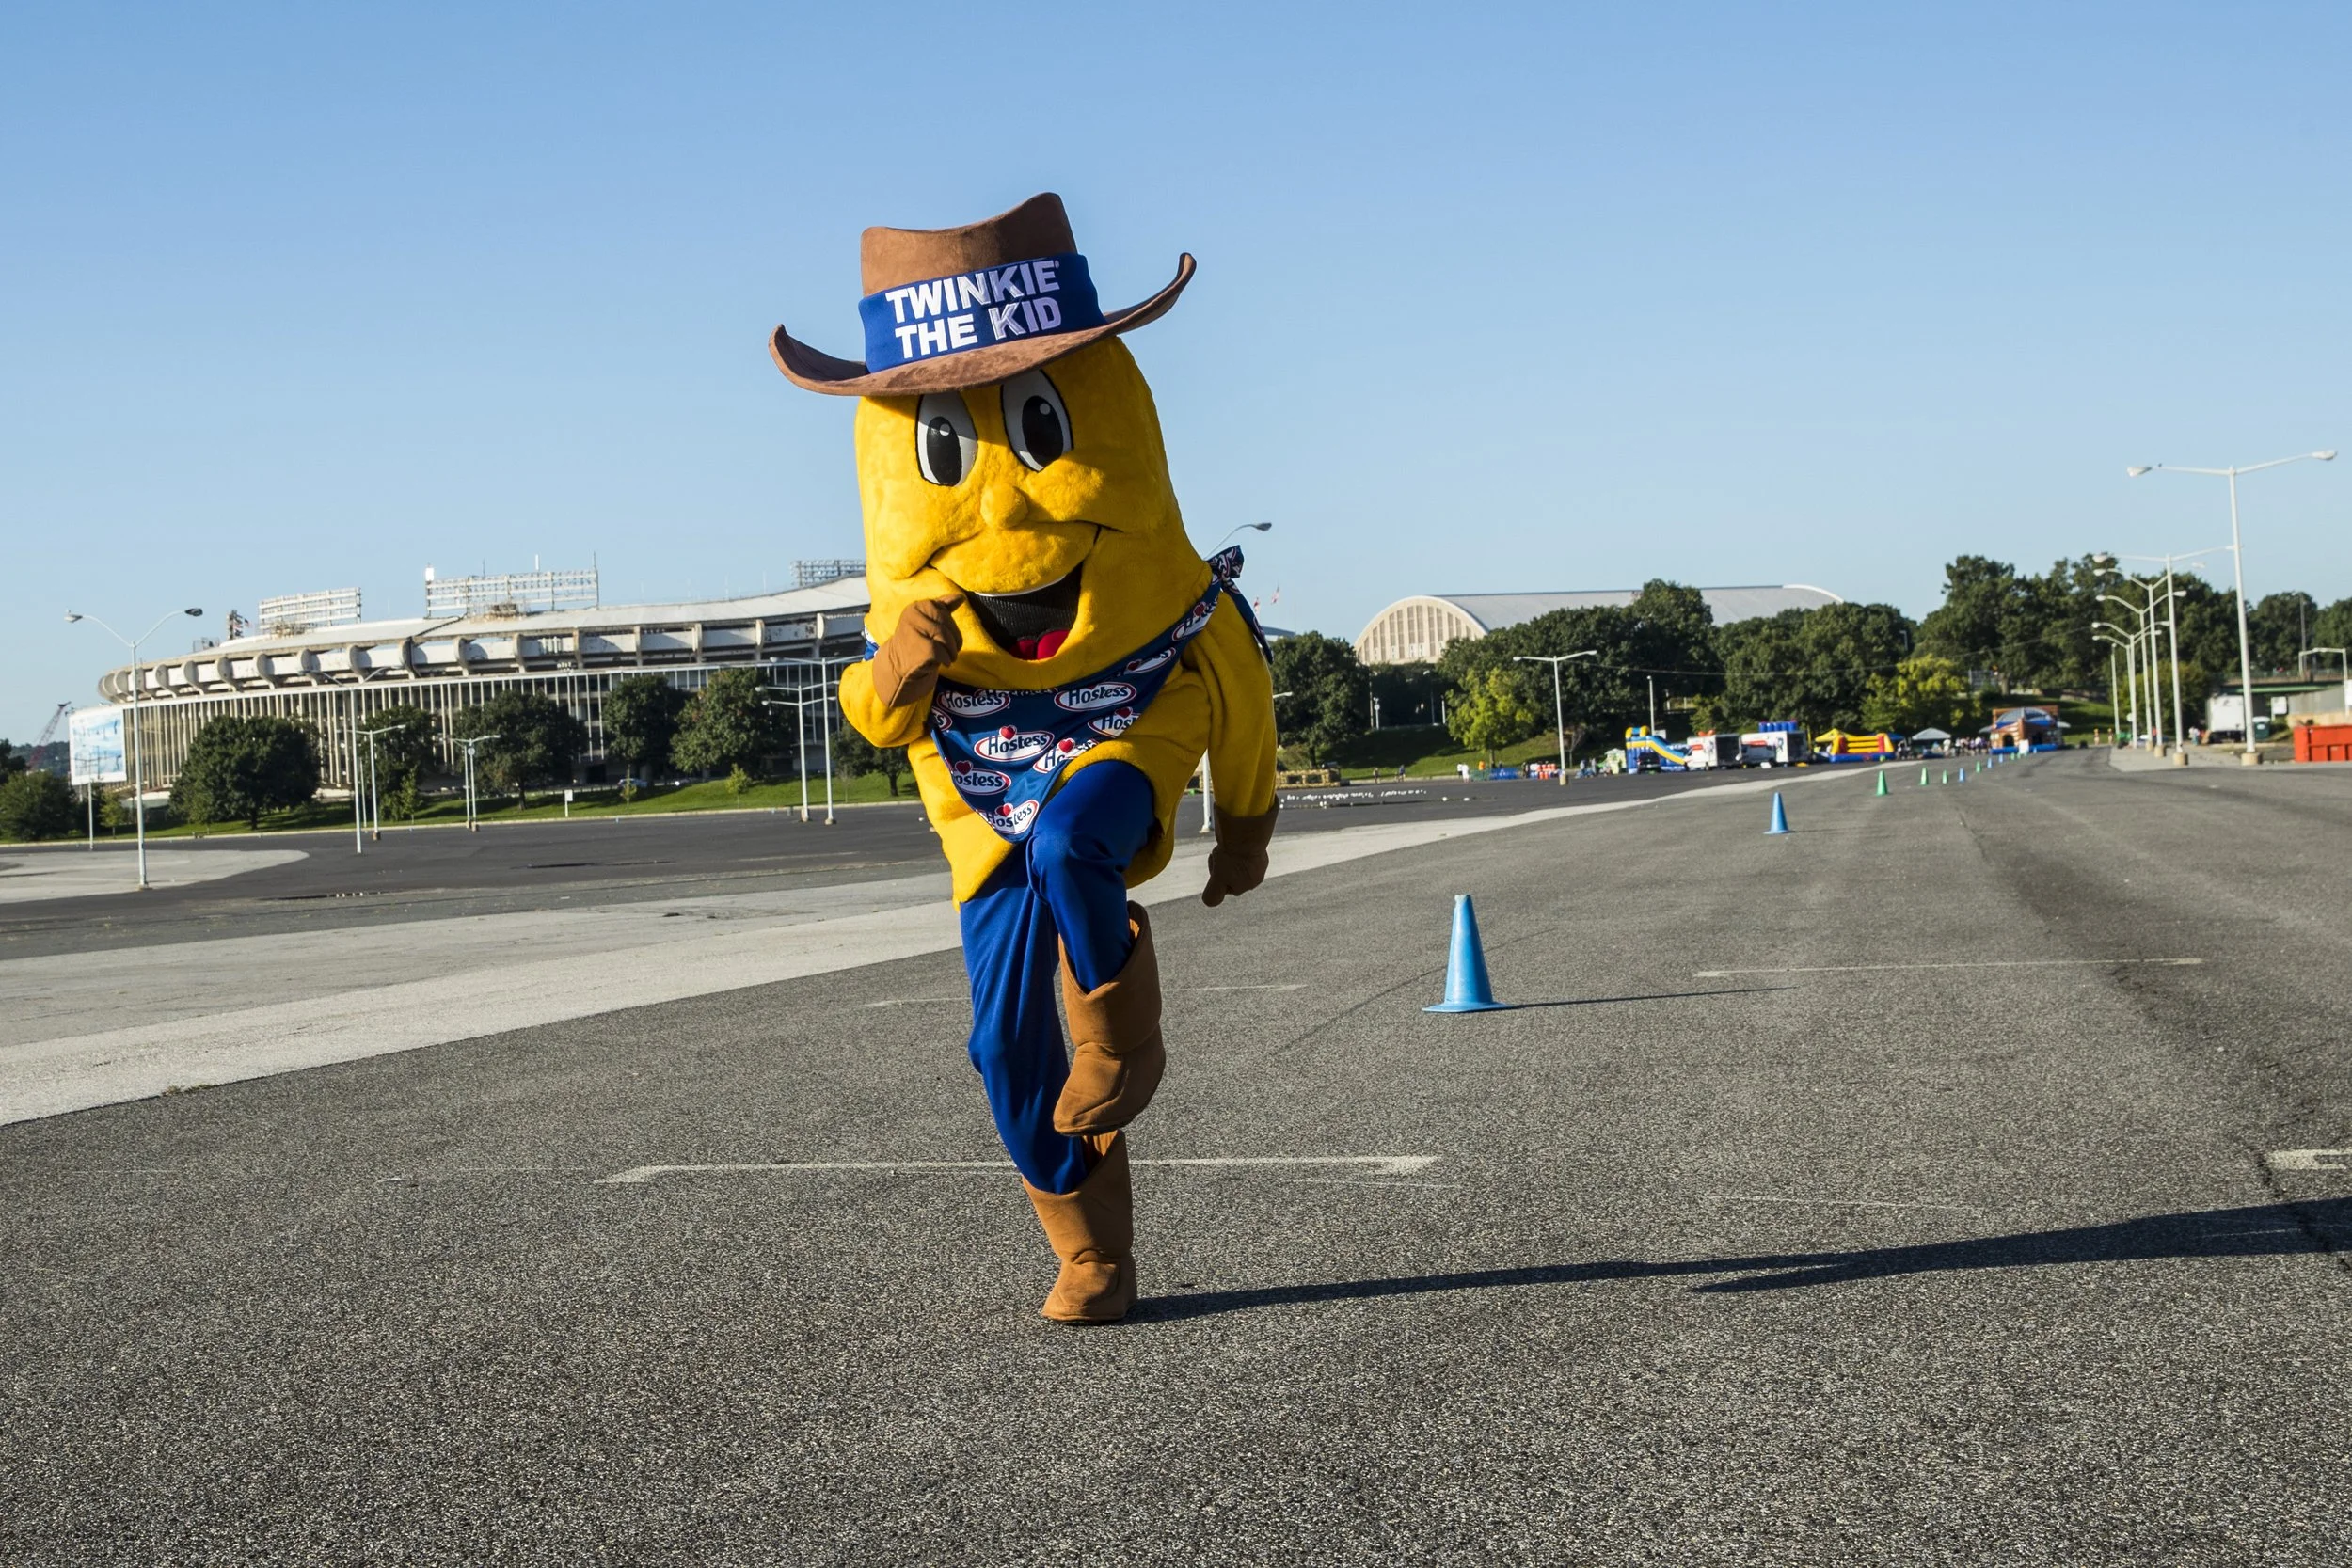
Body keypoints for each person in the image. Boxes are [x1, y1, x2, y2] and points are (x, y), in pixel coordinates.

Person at [772, 195, 1279, 1324]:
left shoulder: (1170, 590)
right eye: (947, 443)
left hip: (1124, 728)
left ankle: (1122, 1037)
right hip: (979, 802)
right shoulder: (914, 600)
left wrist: (1245, 824)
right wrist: (901, 666)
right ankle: (1092, 1250)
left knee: (1072, 837)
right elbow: (875, 715)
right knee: (1000, 1043)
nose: (1004, 499)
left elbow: (1240, 684)